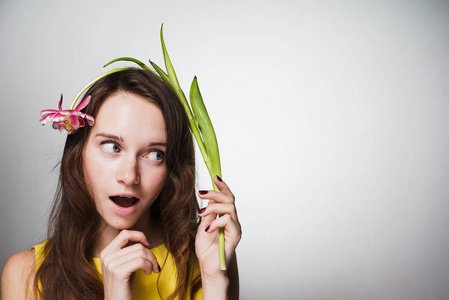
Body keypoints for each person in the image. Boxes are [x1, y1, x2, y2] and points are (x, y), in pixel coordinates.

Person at [1, 68, 241, 299]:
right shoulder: (25, 275)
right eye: (112, 147)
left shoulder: (208, 256)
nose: (129, 176)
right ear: (78, 153)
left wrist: (214, 281)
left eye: (155, 154)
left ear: (172, 168)